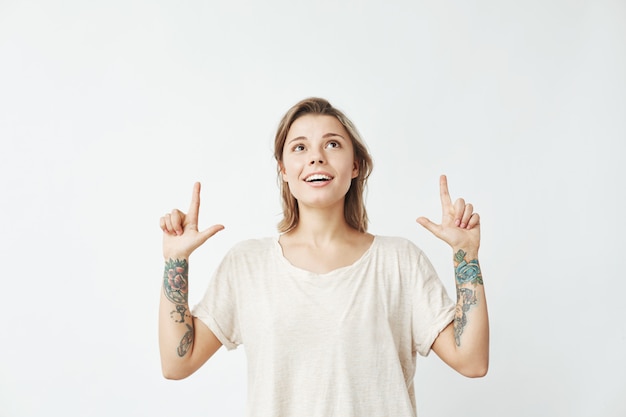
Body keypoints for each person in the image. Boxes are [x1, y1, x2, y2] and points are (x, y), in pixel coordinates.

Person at [158, 97, 489, 417]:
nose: (316, 157)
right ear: (283, 169)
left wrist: (466, 256)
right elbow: (178, 363)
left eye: (332, 144)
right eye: (300, 147)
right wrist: (176, 260)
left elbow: (471, 361)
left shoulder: (399, 262)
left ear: (356, 165)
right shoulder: (247, 264)